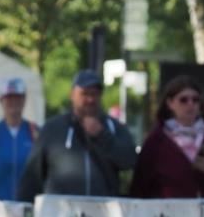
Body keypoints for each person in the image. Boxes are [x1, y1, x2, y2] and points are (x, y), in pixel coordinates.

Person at [17, 69, 137, 202]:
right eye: (85, 94)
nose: (90, 99)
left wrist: (102, 136)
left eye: (95, 94)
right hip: (61, 215)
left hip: (103, 216)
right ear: (72, 95)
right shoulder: (52, 129)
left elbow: (130, 161)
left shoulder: (113, 127)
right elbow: (32, 177)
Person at [129, 75, 204, 199]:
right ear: (170, 103)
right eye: (183, 100)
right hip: (169, 212)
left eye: (195, 99)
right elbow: (140, 185)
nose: (190, 104)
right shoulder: (156, 141)